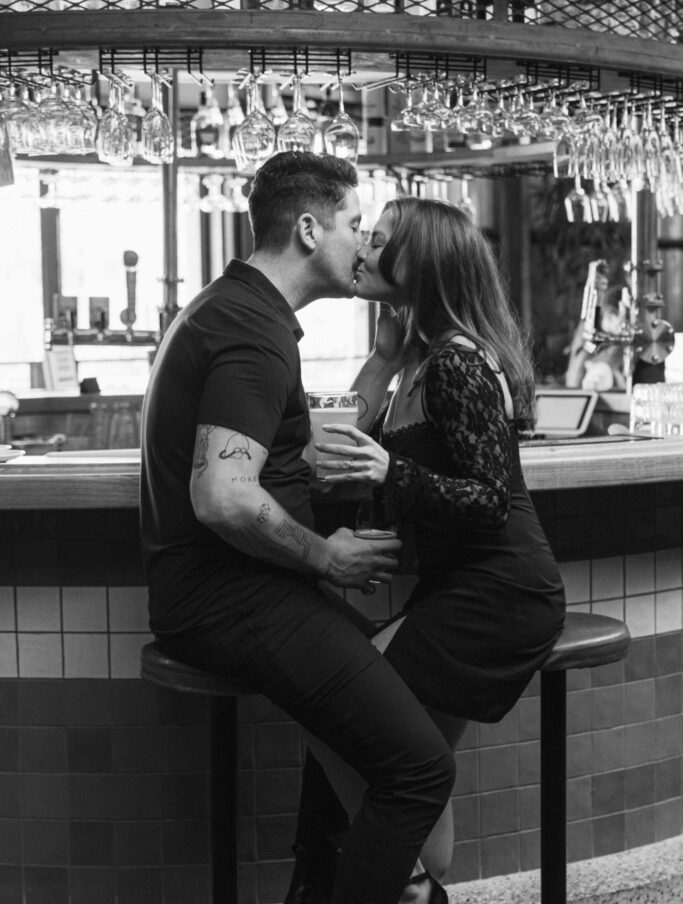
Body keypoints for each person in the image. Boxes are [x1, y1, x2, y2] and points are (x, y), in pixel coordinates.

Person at [139, 154, 457, 904]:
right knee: (419, 770)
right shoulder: (251, 330)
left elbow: (299, 449)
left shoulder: (235, 308)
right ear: (310, 229)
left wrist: (381, 364)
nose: (362, 245)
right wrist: (327, 557)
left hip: (231, 591)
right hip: (230, 598)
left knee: (361, 723)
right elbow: (222, 495)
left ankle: (322, 883)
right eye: (354, 225)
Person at [287, 196, 566, 902]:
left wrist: (393, 472)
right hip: (457, 591)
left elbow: (489, 499)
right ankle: (391, 883)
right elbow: (341, 445)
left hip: (499, 595)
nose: (364, 252)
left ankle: (404, 885)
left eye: (380, 242)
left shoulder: (455, 368)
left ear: (422, 262)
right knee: (408, 760)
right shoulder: (415, 360)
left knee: (347, 719)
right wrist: (382, 356)